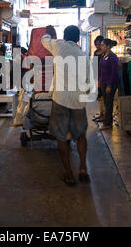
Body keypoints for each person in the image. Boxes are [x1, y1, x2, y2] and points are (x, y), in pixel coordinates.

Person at [41, 25, 91, 186]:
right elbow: (89, 84)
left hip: (61, 100)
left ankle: (69, 174)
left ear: (64, 36)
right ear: (78, 39)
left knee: (61, 137)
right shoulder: (84, 56)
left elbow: (44, 40)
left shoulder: (59, 46)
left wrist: (49, 31)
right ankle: (83, 168)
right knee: (81, 135)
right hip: (78, 101)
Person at [98, 39, 120, 131]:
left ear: (107, 46)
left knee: (109, 103)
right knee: (106, 102)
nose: (101, 47)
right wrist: (99, 80)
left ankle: (107, 123)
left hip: (110, 83)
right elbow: (101, 69)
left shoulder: (113, 57)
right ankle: (107, 121)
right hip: (103, 82)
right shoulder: (103, 55)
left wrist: (109, 85)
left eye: (102, 45)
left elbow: (114, 72)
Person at [92, 36, 105, 122]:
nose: (97, 46)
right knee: (98, 96)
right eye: (96, 44)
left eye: (99, 44)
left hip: (102, 77)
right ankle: (101, 114)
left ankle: (103, 115)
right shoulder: (96, 52)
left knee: (102, 96)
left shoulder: (105, 53)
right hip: (96, 77)